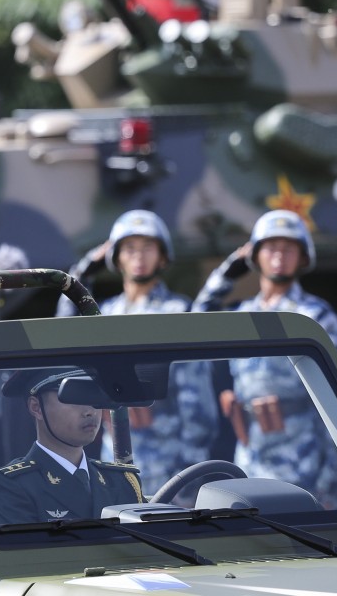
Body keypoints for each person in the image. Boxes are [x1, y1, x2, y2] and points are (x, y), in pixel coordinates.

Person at [192, 209, 337, 506]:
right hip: (251, 451)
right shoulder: (241, 314)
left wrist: (330, 474)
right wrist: (227, 273)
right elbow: (196, 322)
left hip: (304, 453)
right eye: (271, 247)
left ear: (303, 258)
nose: (279, 256)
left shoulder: (316, 315)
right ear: (256, 256)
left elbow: (334, 401)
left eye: (289, 249)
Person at [57, 211, 216, 494]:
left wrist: (191, 475)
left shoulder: (177, 312)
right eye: (129, 249)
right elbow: (63, 334)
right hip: (115, 457)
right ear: (116, 258)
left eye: (147, 248)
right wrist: (83, 273)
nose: (138, 257)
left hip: (172, 466)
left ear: (163, 257)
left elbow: (197, 400)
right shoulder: (105, 313)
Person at [0, 368, 143, 529]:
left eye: (95, 398)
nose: (89, 411)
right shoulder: (10, 488)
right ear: (36, 407)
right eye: (73, 398)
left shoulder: (122, 481)